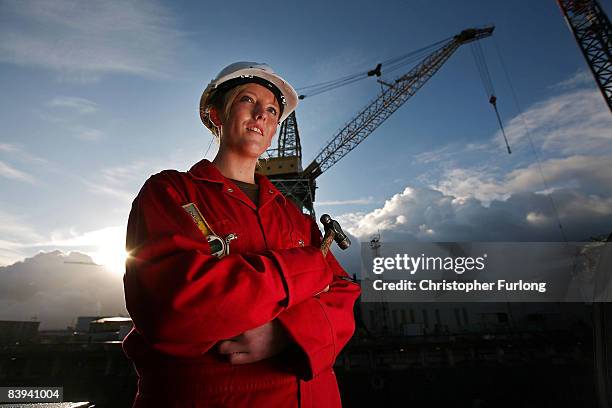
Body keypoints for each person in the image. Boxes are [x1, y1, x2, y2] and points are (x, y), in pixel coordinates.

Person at [122, 62, 361, 407]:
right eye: (247, 100)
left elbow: (343, 295)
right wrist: (309, 269)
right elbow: (175, 307)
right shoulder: (171, 192)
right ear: (216, 114)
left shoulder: (294, 216)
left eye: (272, 111)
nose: (262, 115)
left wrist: (286, 334)